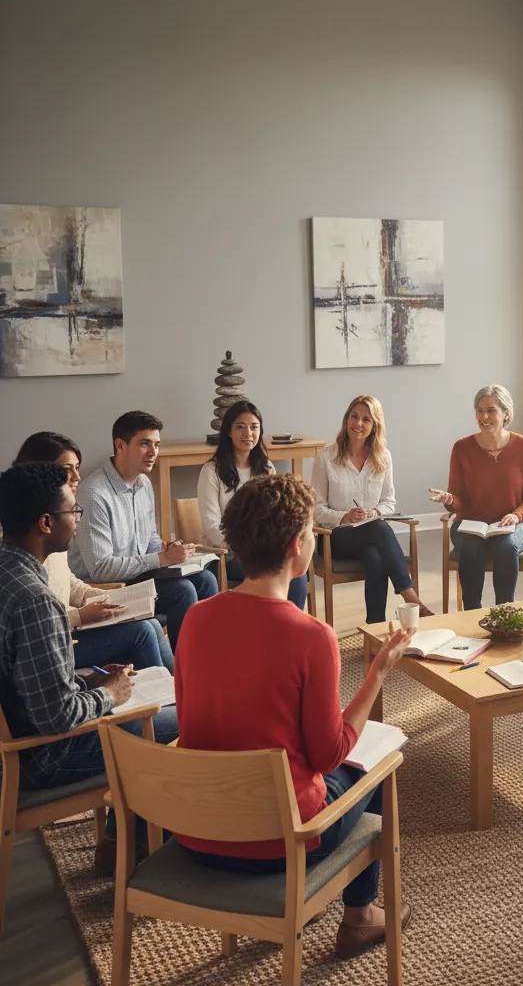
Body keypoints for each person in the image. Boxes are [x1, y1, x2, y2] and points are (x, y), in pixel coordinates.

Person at [174, 473, 413, 957]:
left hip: (198, 828)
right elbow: (329, 755)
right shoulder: (312, 636)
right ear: (295, 547)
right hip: (283, 838)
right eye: (308, 532)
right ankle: (361, 916)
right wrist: (378, 674)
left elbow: (191, 721)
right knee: (374, 769)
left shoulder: (195, 617)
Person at [0, 462, 179, 872]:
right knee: (185, 717)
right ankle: (146, 846)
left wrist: (88, 681)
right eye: (73, 512)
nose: (77, 521)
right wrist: (109, 693)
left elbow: (28, 678)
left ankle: (121, 841)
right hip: (42, 758)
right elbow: (56, 717)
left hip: (21, 737)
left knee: (149, 695)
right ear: (46, 522)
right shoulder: (35, 600)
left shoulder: (8, 572)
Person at [13, 432, 173, 672]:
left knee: (148, 622)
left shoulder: (55, 525)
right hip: (57, 641)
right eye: (68, 469)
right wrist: (81, 615)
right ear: (41, 471)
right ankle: (169, 700)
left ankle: (179, 692)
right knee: (141, 633)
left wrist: (103, 599)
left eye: (77, 467)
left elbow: (66, 580)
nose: (77, 477)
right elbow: (36, 622)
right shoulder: (31, 533)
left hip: (74, 623)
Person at [69, 411, 218, 649]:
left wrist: (167, 548)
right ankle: (186, 669)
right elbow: (100, 570)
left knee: (206, 579)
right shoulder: (93, 494)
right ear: (120, 445)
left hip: (136, 577)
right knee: (182, 591)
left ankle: (208, 657)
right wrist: (160, 558)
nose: (153, 452)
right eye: (144, 444)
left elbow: (149, 539)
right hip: (105, 589)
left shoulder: (143, 483)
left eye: (156, 444)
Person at [312, 394, 431, 623]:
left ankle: (374, 627)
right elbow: (316, 509)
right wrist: (344, 516)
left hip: (370, 537)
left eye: (366, 419)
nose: (358, 423)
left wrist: (374, 512)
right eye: (354, 416)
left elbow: (389, 501)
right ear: (346, 419)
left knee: (375, 555)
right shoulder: (326, 457)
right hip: (335, 538)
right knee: (380, 530)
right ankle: (412, 599)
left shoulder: (383, 457)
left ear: (374, 425)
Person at [430, 385, 523, 611]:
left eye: (491, 411)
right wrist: (449, 500)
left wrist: (516, 515)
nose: (484, 417)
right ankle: (472, 615)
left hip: (514, 524)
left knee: (505, 546)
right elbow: (459, 499)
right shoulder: (462, 448)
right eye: (479, 411)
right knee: (470, 548)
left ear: (506, 414)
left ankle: (504, 613)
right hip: (472, 524)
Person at [197, 399, 308, 609]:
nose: (248, 433)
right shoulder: (211, 471)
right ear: (229, 432)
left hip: (261, 552)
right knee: (273, 573)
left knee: (295, 574)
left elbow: (276, 518)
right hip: (225, 555)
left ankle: (290, 632)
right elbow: (212, 526)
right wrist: (247, 547)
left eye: (254, 427)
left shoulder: (266, 468)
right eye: (240, 427)